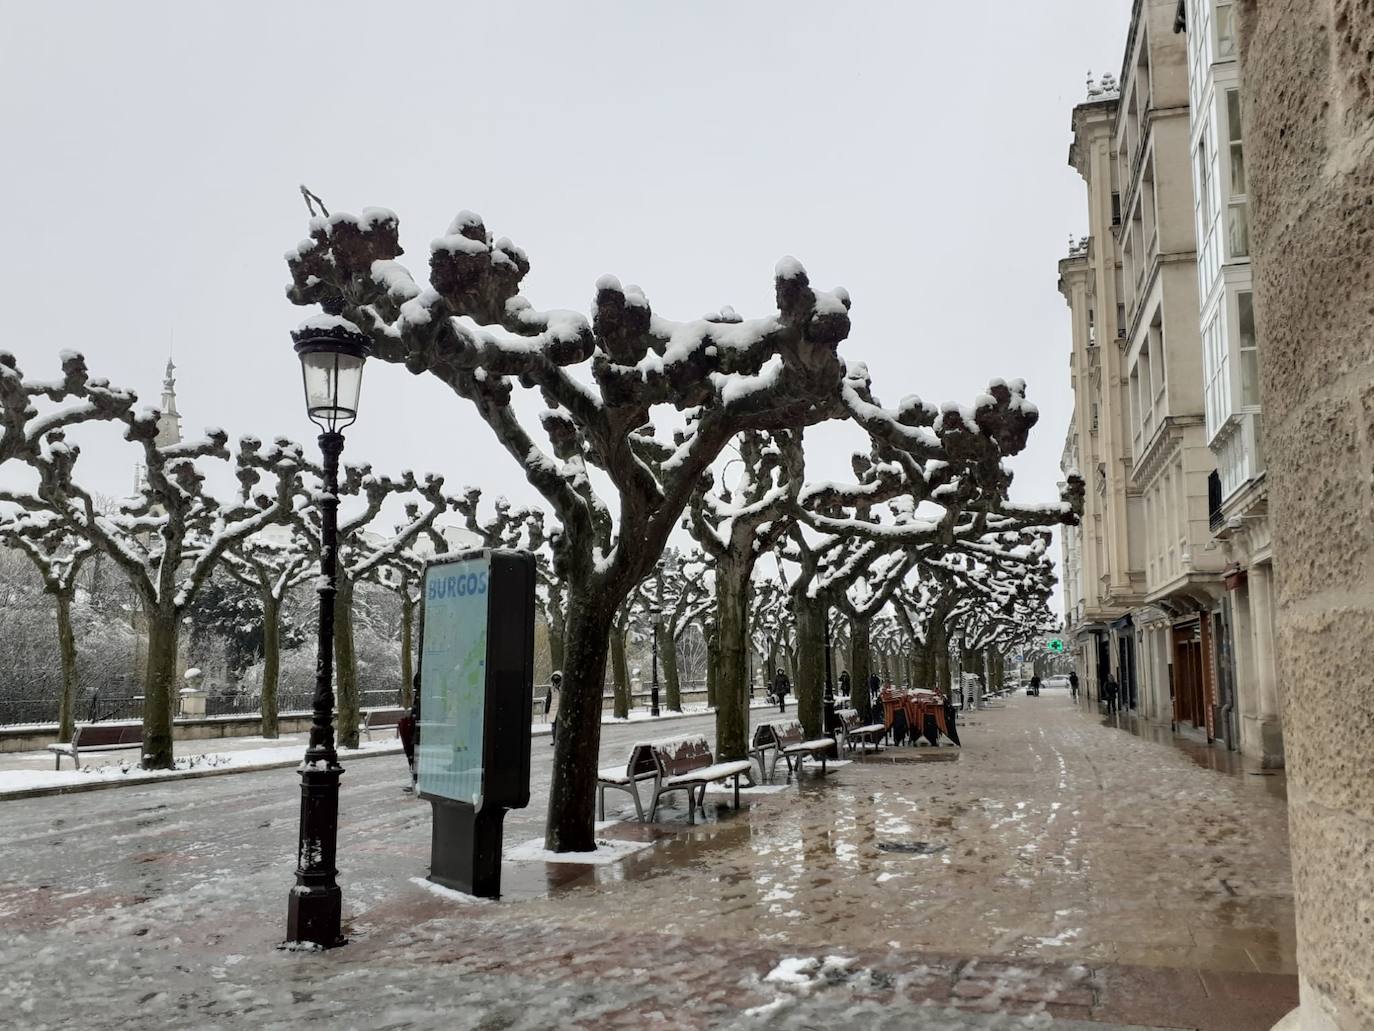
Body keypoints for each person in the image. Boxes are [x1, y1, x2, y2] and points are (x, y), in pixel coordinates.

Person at [545, 671, 562, 745]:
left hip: (560, 709)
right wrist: (547, 709)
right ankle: (554, 740)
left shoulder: (563, 688)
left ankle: (558, 740)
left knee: (559, 726)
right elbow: (548, 699)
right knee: (554, 726)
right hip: (553, 709)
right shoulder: (551, 689)